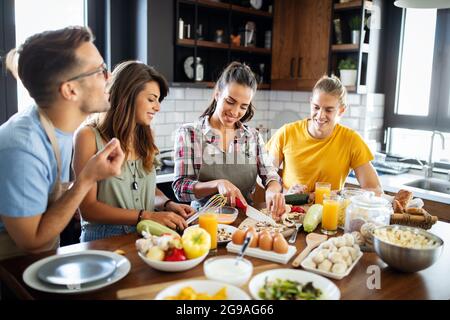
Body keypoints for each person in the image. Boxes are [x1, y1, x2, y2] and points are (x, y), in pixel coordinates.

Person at [0, 26, 125, 260]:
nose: (109, 78)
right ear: (70, 90)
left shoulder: (59, 130)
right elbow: (32, 242)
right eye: (100, 71)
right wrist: (88, 178)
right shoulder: (23, 147)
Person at [74, 61, 194, 242]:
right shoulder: (88, 136)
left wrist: (167, 204)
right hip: (102, 242)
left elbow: (149, 191)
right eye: (151, 99)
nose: (157, 107)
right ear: (128, 95)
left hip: (144, 237)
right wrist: (146, 216)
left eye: (158, 100)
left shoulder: (145, 137)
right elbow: (88, 208)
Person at [173, 62, 285, 218]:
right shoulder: (189, 134)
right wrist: (217, 184)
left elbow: (271, 175)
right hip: (204, 223)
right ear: (218, 94)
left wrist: (273, 189)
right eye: (230, 102)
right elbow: (180, 189)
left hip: (246, 221)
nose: (235, 111)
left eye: (243, 106)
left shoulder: (252, 137)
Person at [266, 75, 382, 196]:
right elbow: (264, 175)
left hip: (330, 213)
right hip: (288, 212)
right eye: (316, 107)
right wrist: (282, 192)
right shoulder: (286, 133)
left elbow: (376, 191)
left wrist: (336, 194)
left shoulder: (351, 140)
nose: (320, 115)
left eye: (328, 110)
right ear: (311, 102)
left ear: (341, 110)